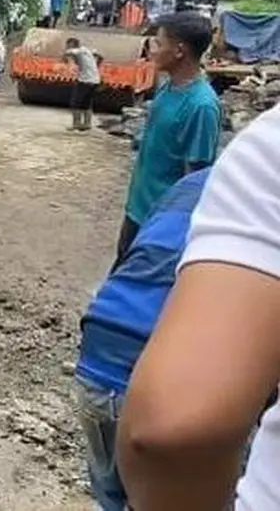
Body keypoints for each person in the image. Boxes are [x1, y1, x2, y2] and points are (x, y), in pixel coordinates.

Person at [117, 104, 280, 511]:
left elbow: (173, 427)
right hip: (150, 218)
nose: (152, 49)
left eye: (160, 41)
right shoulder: (169, 99)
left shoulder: (222, 120)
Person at [75, 167, 213, 511]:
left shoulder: (190, 186)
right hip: (166, 379)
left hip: (98, 353)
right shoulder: (262, 199)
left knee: (110, 500)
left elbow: (129, 257)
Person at [110, 12, 220, 273]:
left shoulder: (201, 106)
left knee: (132, 293)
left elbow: (194, 179)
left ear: (179, 50)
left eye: (158, 43)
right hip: (138, 209)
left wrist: (174, 233)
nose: (152, 50)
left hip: (160, 223)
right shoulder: (167, 88)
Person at [62, 37, 102, 132]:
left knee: (75, 102)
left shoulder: (77, 51)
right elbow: (100, 56)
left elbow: (69, 53)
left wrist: (66, 57)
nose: (66, 47)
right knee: (86, 103)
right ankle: (87, 124)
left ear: (72, 45)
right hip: (95, 80)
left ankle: (76, 124)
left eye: (67, 45)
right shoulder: (87, 50)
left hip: (85, 81)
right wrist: (95, 67)